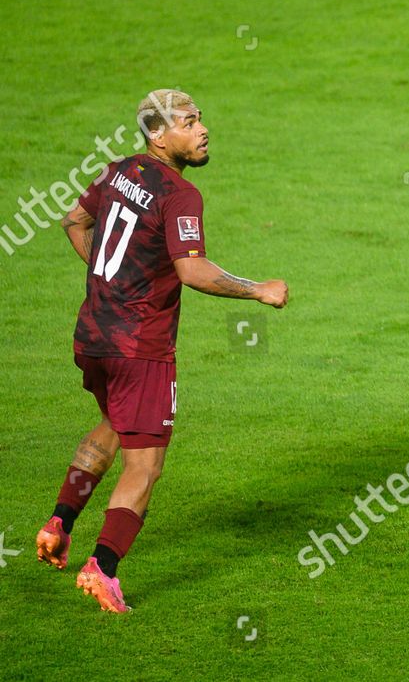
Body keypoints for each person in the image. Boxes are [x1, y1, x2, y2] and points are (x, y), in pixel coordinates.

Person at [36, 90, 289, 612]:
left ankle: (60, 521)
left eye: (200, 118)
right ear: (159, 134)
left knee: (113, 424)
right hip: (140, 347)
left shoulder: (116, 170)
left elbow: (72, 221)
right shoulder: (179, 195)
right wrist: (257, 288)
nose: (202, 129)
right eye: (189, 122)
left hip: (93, 336)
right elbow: (192, 271)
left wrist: (109, 280)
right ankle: (102, 568)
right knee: (144, 465)